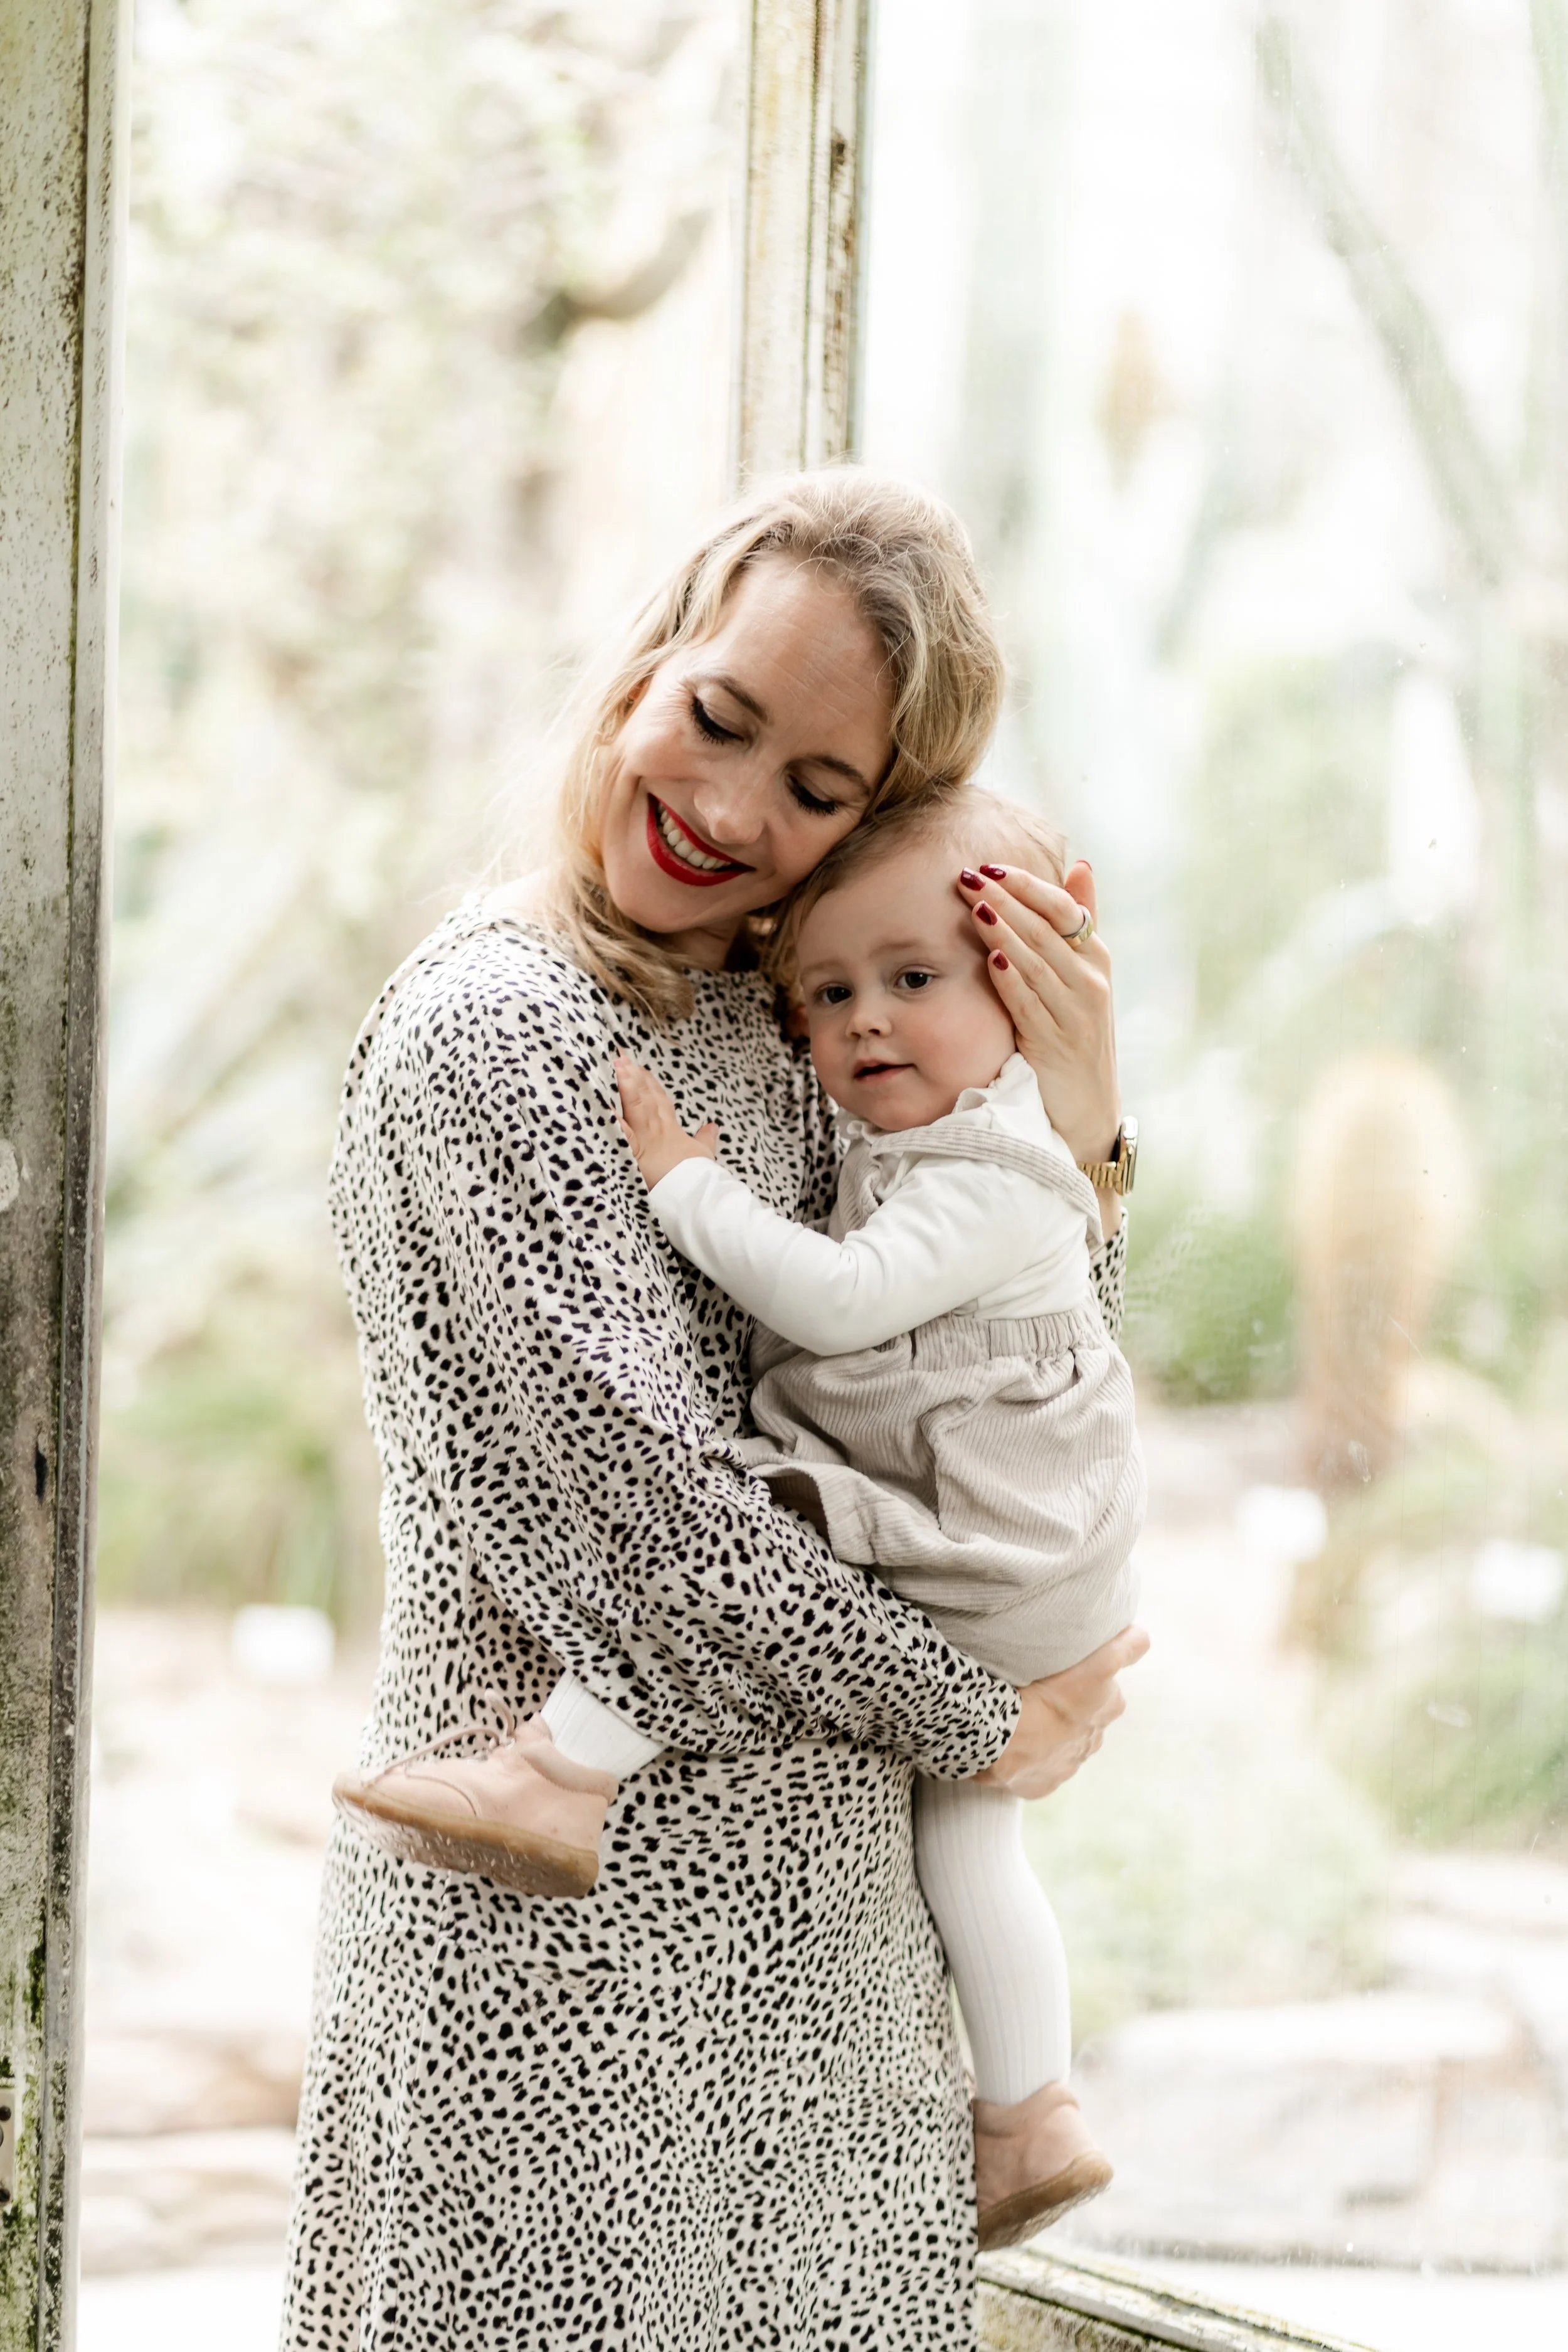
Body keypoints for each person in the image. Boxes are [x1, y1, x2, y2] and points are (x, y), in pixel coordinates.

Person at [287, 469, 1147, 2352]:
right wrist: (991, 1712)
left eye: (819, 790)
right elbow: (661, 1533)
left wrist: (1081, 1136)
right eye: (720, 717)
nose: (736, 812)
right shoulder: (496, 1032)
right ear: (644, 666)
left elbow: (998, 1392)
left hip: (837, 2006)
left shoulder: (812, 1014)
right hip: (555, 2003)